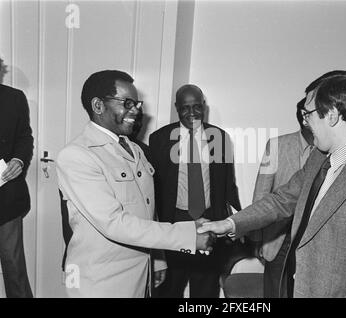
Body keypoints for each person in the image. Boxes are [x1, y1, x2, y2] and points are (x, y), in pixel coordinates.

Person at [199, 71, 346, 297]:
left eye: (308, 113)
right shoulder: (320, 158)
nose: (305, 121)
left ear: (331, 115)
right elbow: (282, 200)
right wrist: (230, 223)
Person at [56, 70, 214, 297]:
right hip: (102, 280)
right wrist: (189, 236)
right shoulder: (77, 156)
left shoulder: (135, 148)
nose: (137, 110)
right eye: (127, 103)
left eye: (137, 103)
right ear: (98, 106)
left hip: (140, 273)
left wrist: (157, 260)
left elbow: (147, 209)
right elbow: (114, 223)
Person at [147, 84, 241, 298]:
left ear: (204, 107)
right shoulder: (159, 139)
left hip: (209, 222)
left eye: (197, 107)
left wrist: (235, 222)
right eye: (185, 108)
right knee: (169, 289)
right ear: (176, 108)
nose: (192, 113)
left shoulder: (219, 137)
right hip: (174, 223)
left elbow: (228, 183)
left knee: (206, 290)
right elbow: (153, 186)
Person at [248, 98, 313, 298]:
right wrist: (257, 237)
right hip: (279, 237)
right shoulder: (276, 145)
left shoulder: (333, 150)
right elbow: (261, 194)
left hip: (313, 239)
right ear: (305, 117)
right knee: (275, 292)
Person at [0, 78, 34, 298]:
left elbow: (25, 137)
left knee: (14, 266)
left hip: (6, 198)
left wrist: (19, 160)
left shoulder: (15, 97)